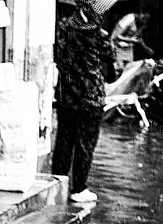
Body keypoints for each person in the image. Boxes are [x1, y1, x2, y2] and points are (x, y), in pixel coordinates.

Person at [52, 0, 118, 205]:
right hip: (90, 98)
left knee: (64, 139)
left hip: (67, 94)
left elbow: (58, 55)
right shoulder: (99, 35)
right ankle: (78, 188)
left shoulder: (63, 27)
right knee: (85, 144)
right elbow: (111, 56)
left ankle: (58, 180)